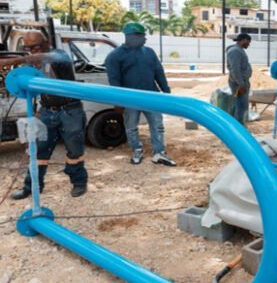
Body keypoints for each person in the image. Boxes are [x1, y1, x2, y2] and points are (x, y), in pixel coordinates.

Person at [11, 31, 89, 199]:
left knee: (75, 150)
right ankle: (31, 186)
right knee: (38, 150)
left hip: (70, 110)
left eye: (36, 47)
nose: (33, 51)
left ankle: (79, 182)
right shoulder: (33, 64)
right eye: (28, 48)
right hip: (47, 111)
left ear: (46, 43)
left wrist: (13, 60)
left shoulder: (59, 55)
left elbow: (51, 57)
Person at [104, 22, 176, 166]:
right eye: (141, 36)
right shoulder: (115, 56)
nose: (144, 39)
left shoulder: (149, 52)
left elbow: (158, 72)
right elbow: (114, 80)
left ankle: (159, 152)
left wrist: (166, 91)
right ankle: (137, 149)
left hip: (152, 96)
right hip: (130, 99)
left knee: (157, 125)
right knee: (131, 127)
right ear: (129, 36)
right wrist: (118, 101)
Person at [227, 33, 253, 125]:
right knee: (240, 106)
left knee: (242, 105)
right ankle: (237, 127)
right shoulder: (235, 51)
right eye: (248, 42)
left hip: (241, 82)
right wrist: (241, 84)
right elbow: (235, 69)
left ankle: (238, 125)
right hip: (238, 83)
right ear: (243, 40)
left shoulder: (239, 50)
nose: (249, 44)